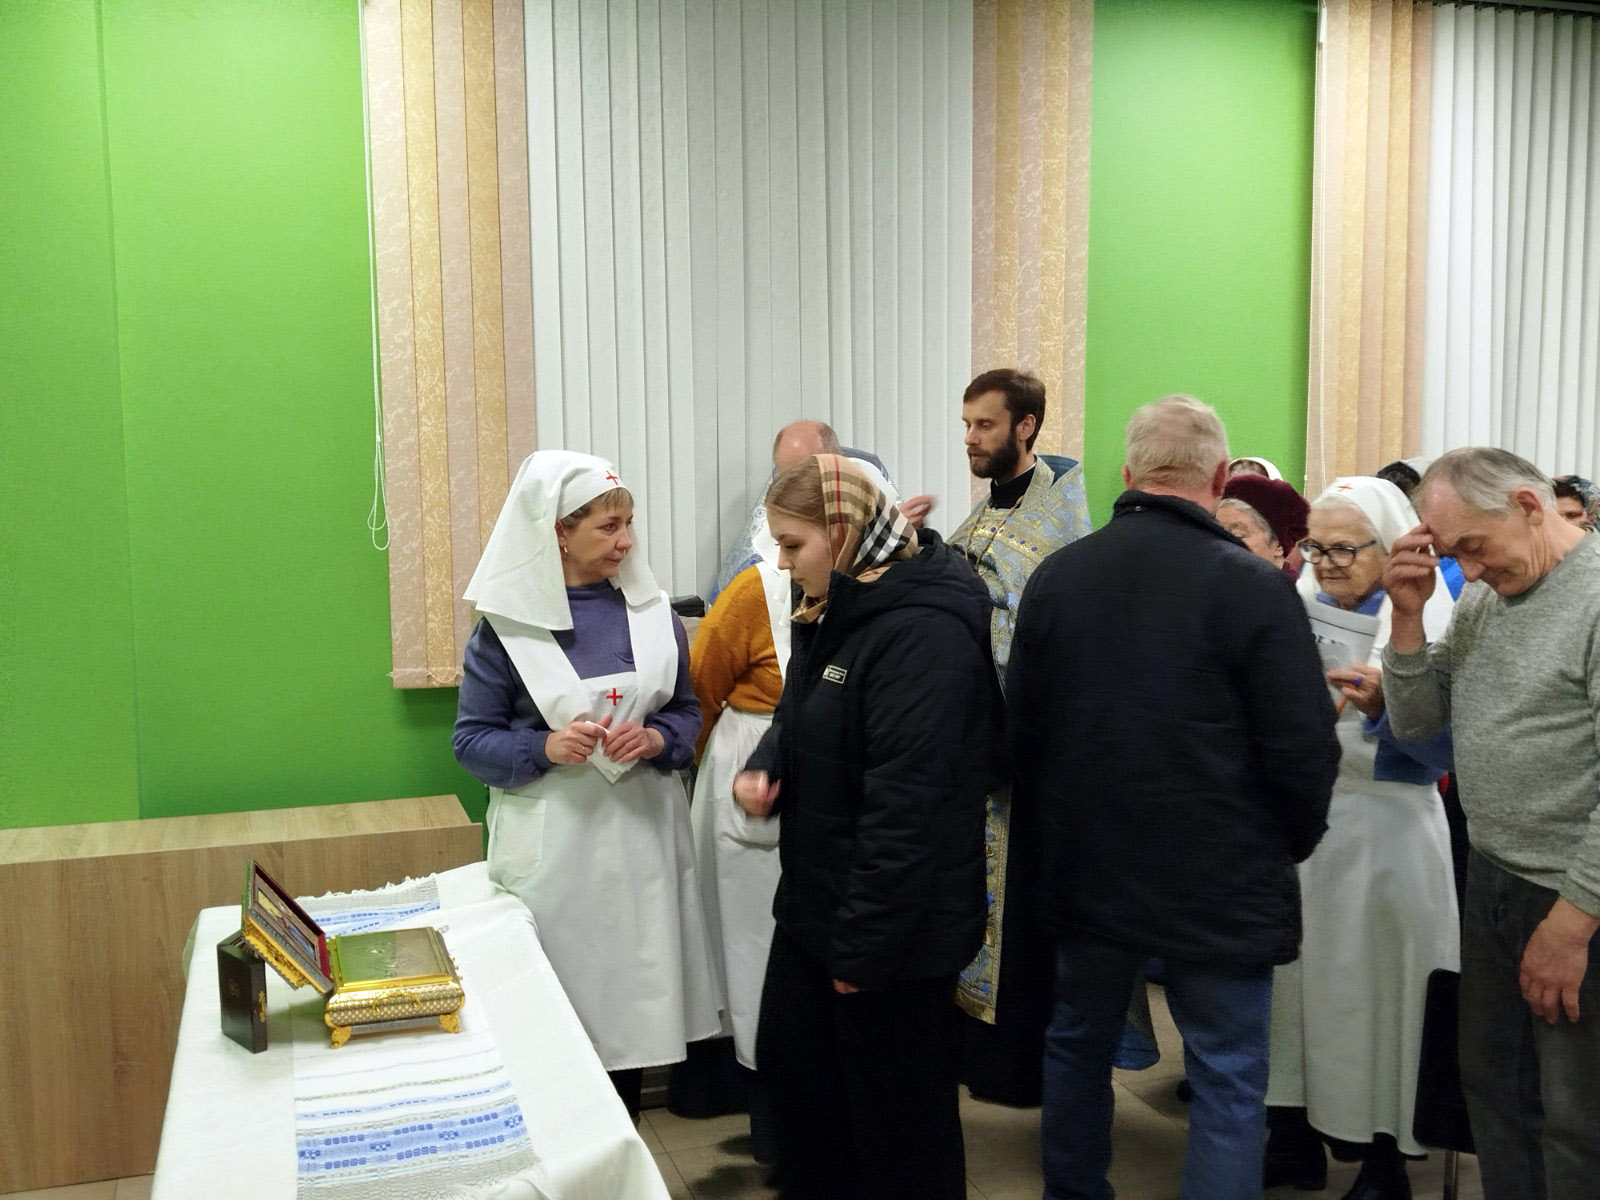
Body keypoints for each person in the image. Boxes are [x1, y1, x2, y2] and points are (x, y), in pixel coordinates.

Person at [1009, 395, 1340, 1200]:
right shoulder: (1255, 588)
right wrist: (1283, 845)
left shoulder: (1059, 578)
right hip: (1222, 878)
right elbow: (1303, 750)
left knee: (1077, 1046)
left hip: (1088, 872)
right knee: (1227, 1077)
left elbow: (1020, 733)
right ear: (1220, 478)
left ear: (1128, 474)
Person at [732, 453, 998, 1199]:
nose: (782, 563)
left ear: (844, 532)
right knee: (811, 1107)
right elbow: (799, 712)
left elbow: (909, 809)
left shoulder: (924, 633)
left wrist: (865, 947)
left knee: (896, 1134)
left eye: (793, 545)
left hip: (892, 935)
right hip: (821, 907)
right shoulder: (838, 604)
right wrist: (770, 762)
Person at [453, 451, 722, 1121]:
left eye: (628, 524)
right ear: (558, 533)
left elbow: (686, 712)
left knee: (634, 1010)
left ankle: (622, 1146)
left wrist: (657, 739)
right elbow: (471, 741)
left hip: (641, 843)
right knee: (558, 1014)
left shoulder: (653, 614)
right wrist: (541, 746)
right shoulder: (506, 630)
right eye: (607, 527)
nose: (625, 541)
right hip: (557, 857)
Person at [1382, 448, 1600, 1200]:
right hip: (1493, 875)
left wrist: (1571, 925)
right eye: (1452, 554)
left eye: (1473, 546)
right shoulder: (1487, 595)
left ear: (1529, 507)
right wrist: (1406, 619)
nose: (1468, 572)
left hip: (1573, 897)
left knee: (1576, 1115)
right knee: (1494, 1088)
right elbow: (1417, 723)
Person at [1265, 477, 1459, 1200]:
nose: (1327, 564)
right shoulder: (1297, 603)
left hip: (1392, 831)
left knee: (1385, 999)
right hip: (1310, 829)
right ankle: (1291, 1137)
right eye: (1315, 547)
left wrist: (1386, 706)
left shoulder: (1431, 617)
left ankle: (1385, 1159)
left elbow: (1447, 746)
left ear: (1390, 546)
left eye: (1344, 549)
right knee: (1294, 994)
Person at [943, 367, 1110, 1106]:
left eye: (984, 424)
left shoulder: (1059, 524)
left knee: (1022, 913)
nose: (971, 438)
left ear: (1026, 426)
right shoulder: (983, 513)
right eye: (967, 425)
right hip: (974, 745)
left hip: (1029, 755)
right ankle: (974, 1052)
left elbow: (1036, 627)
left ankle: (1017, 1068)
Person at [671, 529, 791, 1135]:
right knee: (742, 939)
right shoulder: (753, 591)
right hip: (748, 759)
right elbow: (702, 687)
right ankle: (740, 1083)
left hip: (809, 767)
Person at [709, 420, 933, 602]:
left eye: (812, 476)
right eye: (788, 479)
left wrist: (898, 533)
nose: (798, 491)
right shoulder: (758, 573)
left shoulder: (869, 488)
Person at [1220, 473, 1310, 578]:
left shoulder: (1291, 588)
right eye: (1216, 533)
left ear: (1278, 545)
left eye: (1237, 535)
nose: (1221, 544)